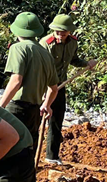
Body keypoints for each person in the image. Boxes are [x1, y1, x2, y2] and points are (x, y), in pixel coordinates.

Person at [0, 12, 59, 182]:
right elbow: (53, 88)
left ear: (17, 32)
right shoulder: (44, 52)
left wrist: (0, 107)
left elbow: (16, 80)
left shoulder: (18, 48)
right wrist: (47, 105)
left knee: (7, 157)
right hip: (34, 110)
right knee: (27, 158)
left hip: (17, 109)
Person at [41, 14, 96, 165]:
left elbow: (74, 60)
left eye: (63, 32)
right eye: (57, 32)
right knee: (36, 120)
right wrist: (45, 93)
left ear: (70, 32)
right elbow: (40, 68)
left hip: (60, 86)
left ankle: (51, 156)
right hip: (44, 86)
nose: (60, 35)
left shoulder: (72, 43)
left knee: (56, 120)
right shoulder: (46, 44)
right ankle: (28, 155)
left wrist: (87, 64)